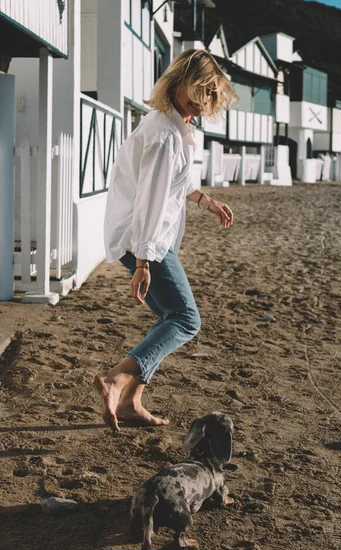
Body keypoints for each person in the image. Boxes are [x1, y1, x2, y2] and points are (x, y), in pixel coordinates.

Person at [94, 49, 237, 433]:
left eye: (210, 94)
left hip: (152, 239)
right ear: (178, 81)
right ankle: (116, 380)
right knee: (186, 319)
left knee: (168, 318)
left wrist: (207, 201)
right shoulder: (163, 135)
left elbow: (178, 182)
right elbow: (150, 201)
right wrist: (142, 263)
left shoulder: (174, 126)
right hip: (145, 239)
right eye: (198, 90)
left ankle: (130, 403)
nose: (202, 100)